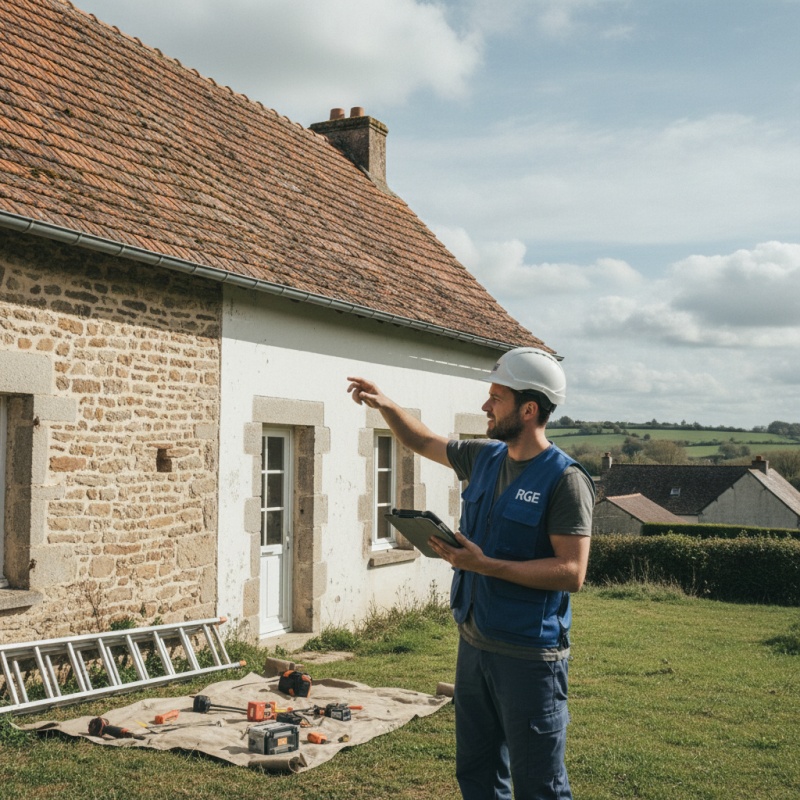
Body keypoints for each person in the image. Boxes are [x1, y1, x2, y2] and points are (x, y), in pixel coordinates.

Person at [347, 347, 594, 800]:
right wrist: (388, 406)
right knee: (477, 775)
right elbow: (422, 442)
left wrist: (485, 565)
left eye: (495, 397)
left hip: (530, 658)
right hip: (474, 644)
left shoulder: (565, 481)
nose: (486, 406)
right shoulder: (484, 457)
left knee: (539, 786)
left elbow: (571, 571)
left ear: (529, 408)